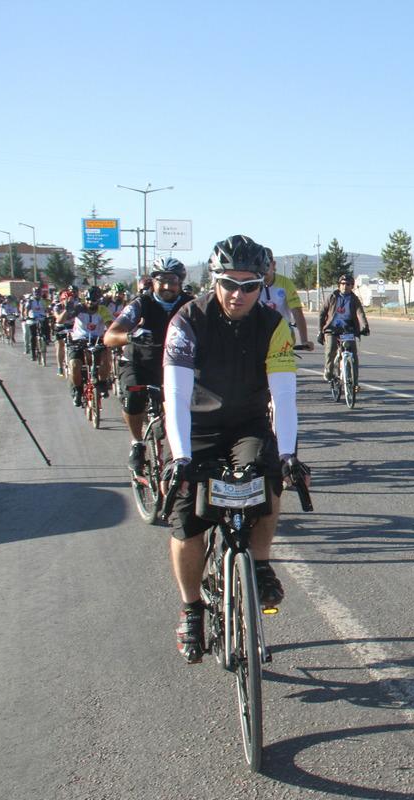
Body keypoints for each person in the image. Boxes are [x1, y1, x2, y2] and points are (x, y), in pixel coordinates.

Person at [161, 234, 309, 664]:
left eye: (249, 286)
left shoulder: (273, 325)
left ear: (262, 284)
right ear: (214, 280)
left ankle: (259, 562)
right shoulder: (188, 319)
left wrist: (288, 455)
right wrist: (181, 457)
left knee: (270, 477)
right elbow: (175, 396)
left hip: (247, 424)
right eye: (229, 283)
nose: (237, 294)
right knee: (188, 521)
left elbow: (284, 396)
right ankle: (191, 608)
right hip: (197, 426)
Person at [103, 257, 194, 471]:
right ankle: (137, 443)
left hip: (173, 366)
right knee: (134, 398)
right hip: (138, 363)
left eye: (172, 281)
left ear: (180, 283)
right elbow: (109, 337)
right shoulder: (140, 304)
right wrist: (130, 336)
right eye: (161, 280)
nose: (167, 286)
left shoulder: (190, 305)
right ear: (152, 281)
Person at [57, 286, 114, 407]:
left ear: (98, 300)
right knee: (74, 365)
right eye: (87, 300)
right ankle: (78, 391)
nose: (90, 302)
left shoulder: (102, 310)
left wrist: (113, 334)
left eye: (93, 300)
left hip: (97, 339)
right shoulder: (79, 308)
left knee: (106, 358)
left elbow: (110, 325)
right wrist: (67, 310)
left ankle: (102, 383)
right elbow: (60, 321)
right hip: (79, 340)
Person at [318, 273, 370, 387]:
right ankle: (329, 371)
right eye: (343, 283)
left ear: (352, 286)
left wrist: (365, 326)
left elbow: (360, 313)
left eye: (348, 284)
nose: (345, 286)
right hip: (332, 329)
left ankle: (355, 384)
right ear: (339, 285)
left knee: (353, 354)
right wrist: (320, 331)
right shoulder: (332, 297)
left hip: (348, 329)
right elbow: (322, 313)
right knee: (331, 348)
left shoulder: (354, 299)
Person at [259, 248, 312, 350]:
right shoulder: (252, 283)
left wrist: (304, 340)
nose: (263, 269)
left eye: (266, 265)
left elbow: (297, 312)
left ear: (273, 264)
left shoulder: (285, 283)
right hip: (259, 336)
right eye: (259, 266)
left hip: (282, 336)